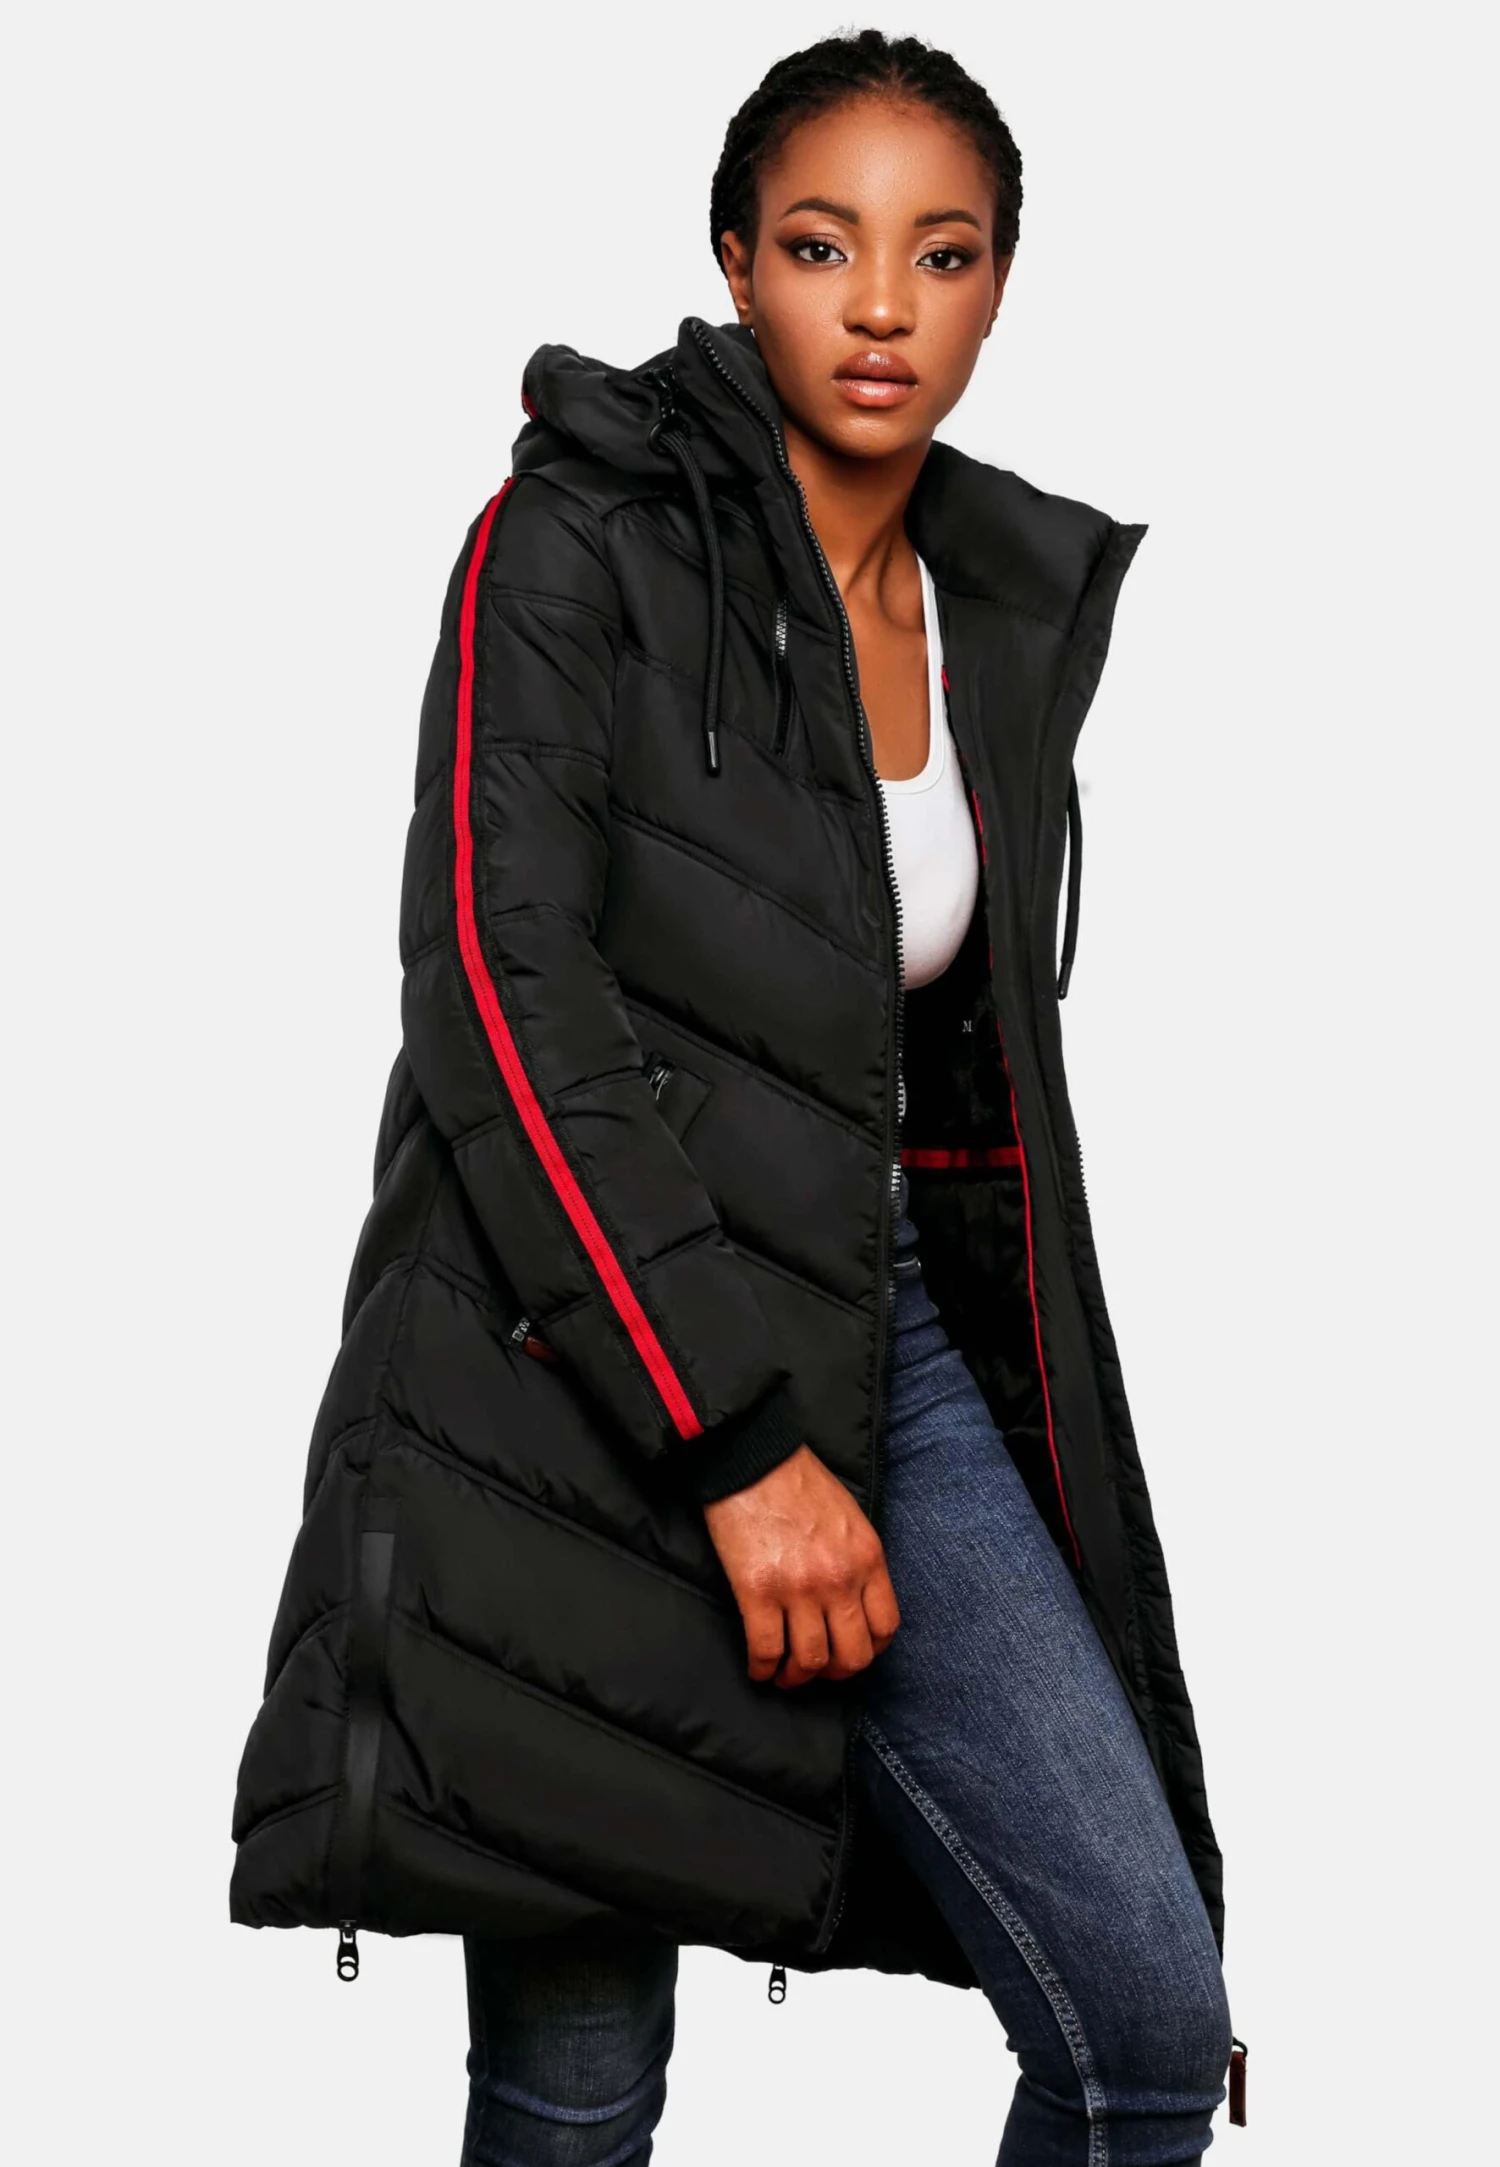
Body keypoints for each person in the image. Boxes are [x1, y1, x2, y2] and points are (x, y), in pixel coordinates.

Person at [230, 28, 1244, 2163]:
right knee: (581, 2095)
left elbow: (962, 1110)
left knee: (1145, 2028)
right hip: (561, 1359)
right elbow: (499, 996)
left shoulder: (992, 606)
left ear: (999, 284)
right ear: (733, 260)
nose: (881, 305)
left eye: (941, 252)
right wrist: (732, 1440)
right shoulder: (575, 539)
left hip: (881, 1340)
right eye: (819, 243)